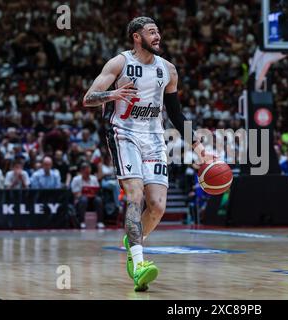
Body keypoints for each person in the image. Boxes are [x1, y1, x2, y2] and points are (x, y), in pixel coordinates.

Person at [82, 16, 214, 291]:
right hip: (123, 133)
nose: (158, 37)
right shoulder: (119, 63)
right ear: (136, 37)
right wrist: (113, 94)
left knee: (157, 206)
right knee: (135, 195)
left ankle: (133, 242)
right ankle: (139, 262)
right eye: (151, 32)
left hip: (154, 138)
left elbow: (176, 115)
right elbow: (88, 98)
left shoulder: (168, 70)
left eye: (158, 32)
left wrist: (199, 147)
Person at [70, 162, 105, 230]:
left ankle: (100, 222)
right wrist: (84, 192)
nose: (88, 174)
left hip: (92, 198)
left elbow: (97, 190)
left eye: (89, 172)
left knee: (99, 200)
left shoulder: (94, 178)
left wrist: (91, 192)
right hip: (80, 200)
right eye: (86, 172)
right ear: (82, 171)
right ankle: (82, 222)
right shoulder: (76, 179)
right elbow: (74, 193)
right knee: (84, 199)